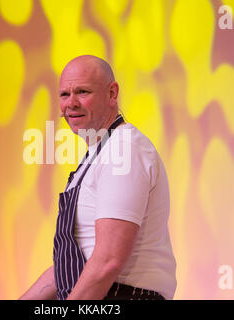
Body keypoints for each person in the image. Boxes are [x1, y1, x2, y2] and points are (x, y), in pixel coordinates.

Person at [19, 55, 176, 300]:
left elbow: (107, 262)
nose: (71, 103)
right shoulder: (100, 153)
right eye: (64, 95)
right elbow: (70, 268)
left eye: (82, 92)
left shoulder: (123, 149)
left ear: (112, 93)